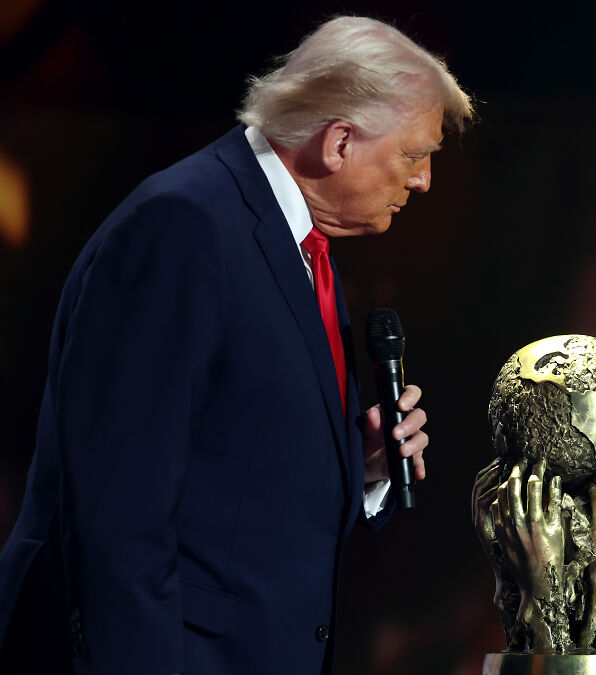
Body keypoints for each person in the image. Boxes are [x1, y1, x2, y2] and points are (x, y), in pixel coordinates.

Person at [0, 16, 472, 674]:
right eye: (414, 154)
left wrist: (358, 465)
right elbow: (117, 515)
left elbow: (234, 467)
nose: (422, 180)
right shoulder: (184, 226)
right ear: (339, 142)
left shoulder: (303, 245)